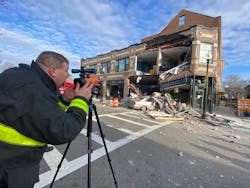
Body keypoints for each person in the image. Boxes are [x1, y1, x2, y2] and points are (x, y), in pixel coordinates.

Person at [0, 51, 94, 188]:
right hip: (11, 168)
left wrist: (64, 100)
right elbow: (63, 130)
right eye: (66, 70)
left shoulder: (19, 76)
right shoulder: (33, 88)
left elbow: (41, 113)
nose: (68, 75)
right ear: (53, 71)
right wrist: (81, 100)